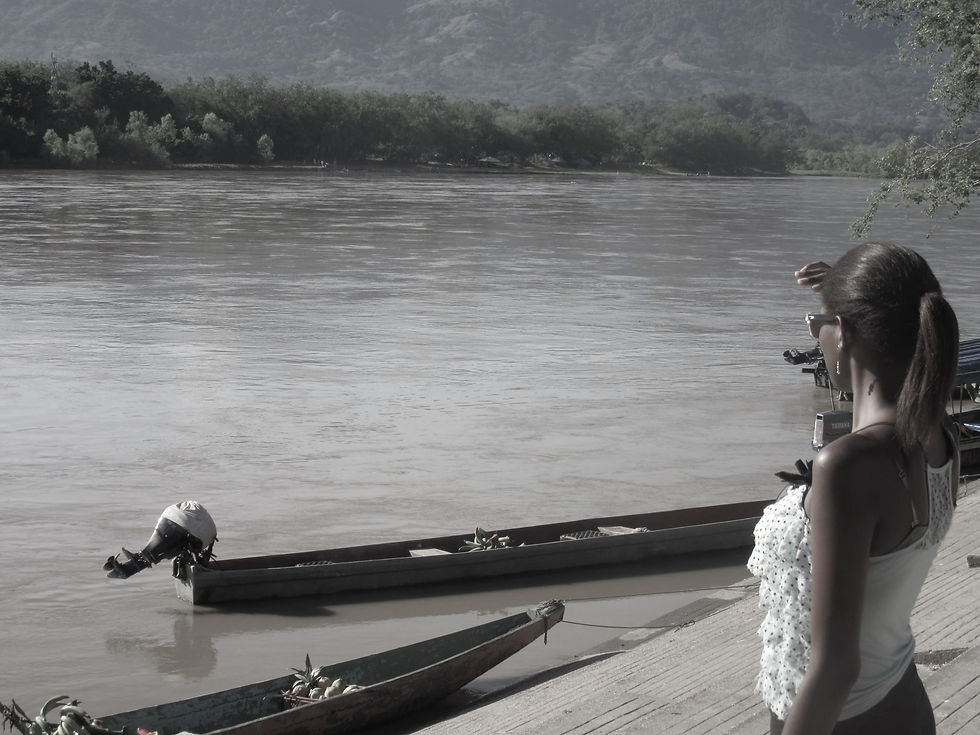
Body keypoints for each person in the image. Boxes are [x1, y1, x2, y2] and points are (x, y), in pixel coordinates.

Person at [747, 241, 961, 734]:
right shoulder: (936, 437)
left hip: (839, 720)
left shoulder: (849, 464)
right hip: (901, 701)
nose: (817, 336)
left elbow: (836, 667)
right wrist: (854, 290)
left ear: (842, 332)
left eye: (818, 326)